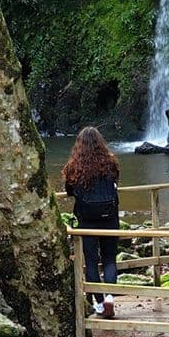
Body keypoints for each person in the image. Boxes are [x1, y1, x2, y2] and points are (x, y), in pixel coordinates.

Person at [62, 127, 119, 318]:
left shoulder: (73, 166)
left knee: (92, 262)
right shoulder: (110, 162)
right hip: (109, 218)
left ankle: (100, 303)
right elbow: (115, 184)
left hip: (86, 221)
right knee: (110, 260)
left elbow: (70, 191)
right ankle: (110, 297)